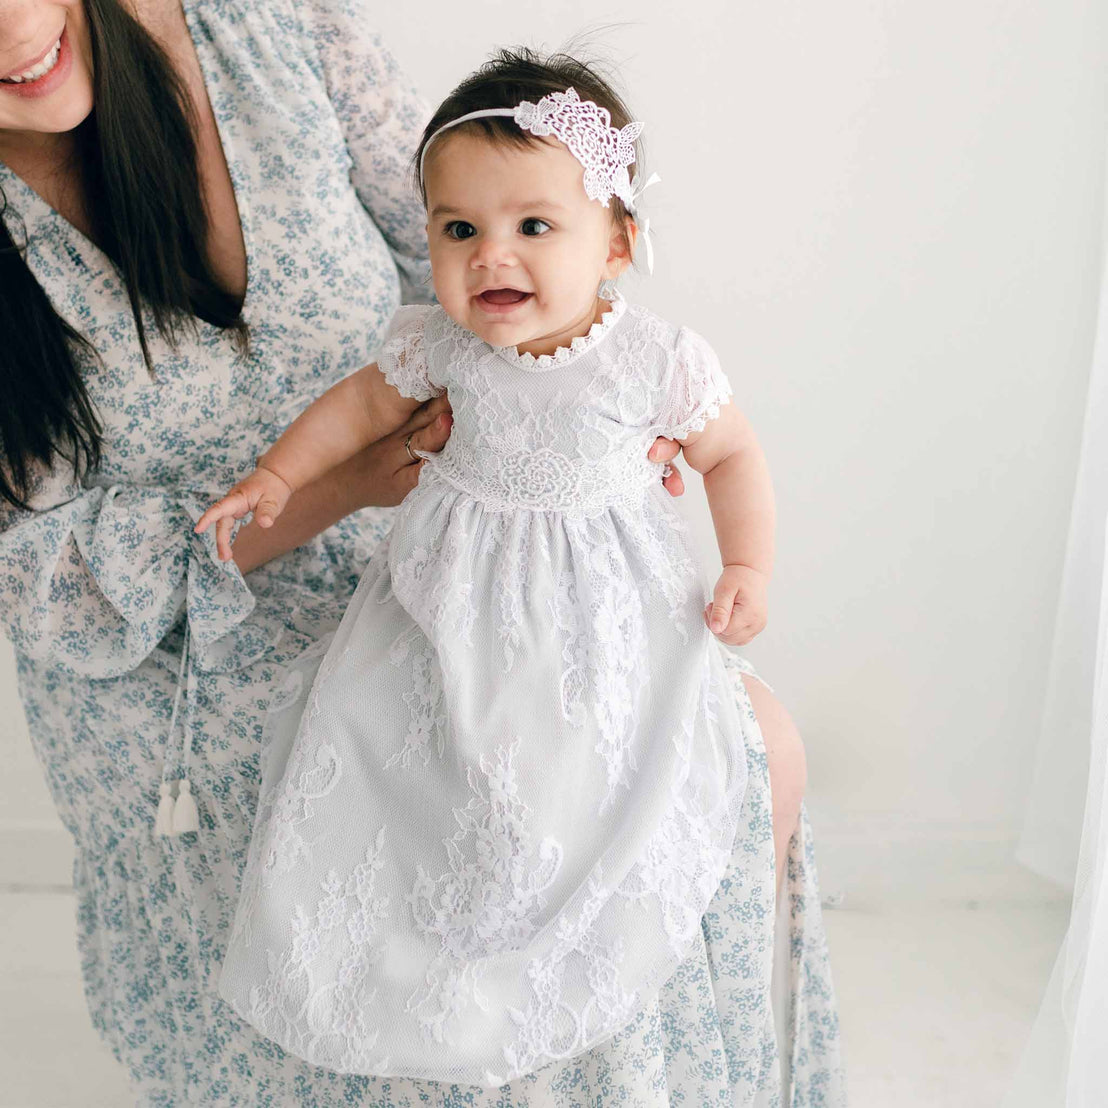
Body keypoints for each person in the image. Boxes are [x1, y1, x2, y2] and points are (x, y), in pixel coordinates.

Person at [0, 1, 843, 1103]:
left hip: (457, 577)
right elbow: (39, 578)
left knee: (743, 758)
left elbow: (489, 240)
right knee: (483, 855)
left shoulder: (274, 29)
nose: (16, 30)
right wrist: (328, 487)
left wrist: (573, 411)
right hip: (182, 681)